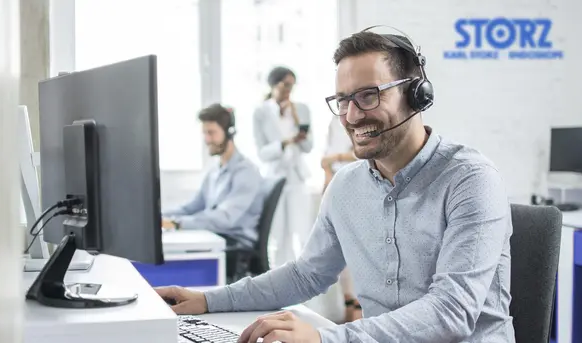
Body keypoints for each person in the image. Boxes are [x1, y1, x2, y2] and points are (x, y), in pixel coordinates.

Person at [156, 27, 514, 343]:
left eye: (369, 95)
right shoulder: (346, 187)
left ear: (417, 95)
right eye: (343, 100)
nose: (353, 115)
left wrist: (327, 338)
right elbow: (305, 275)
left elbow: (451, 312)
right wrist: (208, 300)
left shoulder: (470, 180)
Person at [162, 104, 264, 279]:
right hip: (215, 238)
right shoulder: (215, 171)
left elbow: (225, 219)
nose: (207, 139)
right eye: (204, 133)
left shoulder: (246, 172)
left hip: (234, 247)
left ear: (229, 132)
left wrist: (177, 224)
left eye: (211, 133)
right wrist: (158, 216)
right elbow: (192, 207)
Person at [251, 66, 314, 268]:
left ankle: (300, 279)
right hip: (275, 178)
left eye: (292, 85)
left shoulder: (301, 109)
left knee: (302, 233)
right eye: (285, 85)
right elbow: (262, 153)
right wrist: (285, 142)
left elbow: (308, 146)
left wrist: (297, 121)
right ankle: (277, 280)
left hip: (297, 178)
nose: (289, 89)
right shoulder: (261, 113)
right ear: (273, 84)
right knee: (277, 236)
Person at [321, 115, 360, 323]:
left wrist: (336, 157)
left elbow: (362, 155)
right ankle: (349, 306)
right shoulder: (333, 123)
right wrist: (327, 176)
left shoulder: (360, 120)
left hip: (356, 186)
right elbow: (325, 157)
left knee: (356, 251)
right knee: (340, 252)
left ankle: (358, 308)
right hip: (336, 187)